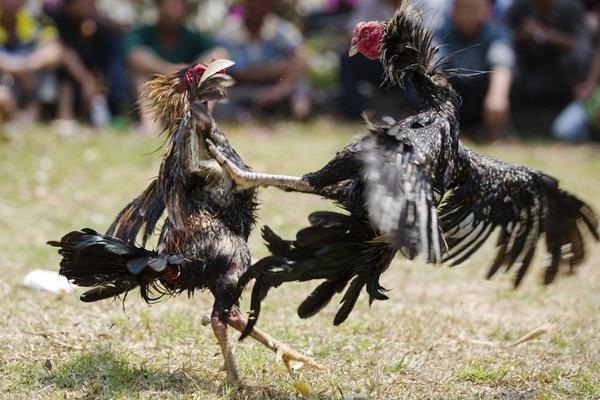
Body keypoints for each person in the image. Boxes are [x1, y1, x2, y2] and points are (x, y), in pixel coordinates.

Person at [124, 0, 217, 132]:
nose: (170, 11)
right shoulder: (142, 33)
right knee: (141, 76)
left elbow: (218, 53)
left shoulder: (193, 37)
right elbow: (134, 56)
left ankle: (198, 124)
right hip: (156, 93)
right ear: (158, 6)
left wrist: (193, 71)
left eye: (174, 5)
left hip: (186, 94)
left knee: (208, 77)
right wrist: (169, 70)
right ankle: (150, 127)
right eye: (166, 5)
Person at [216, 0, 310, 120]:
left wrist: (278, 91)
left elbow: (300, 61)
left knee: (300, 83)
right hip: (239, 90)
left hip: (276, 89)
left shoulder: (284, 31)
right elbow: (235, 72)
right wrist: (279, 68)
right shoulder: (227, 34)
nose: (259, 6)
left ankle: (299, 115)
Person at [435, 0, 514, 140]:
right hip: (453, 97)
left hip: (484, 99)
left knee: (500, 85)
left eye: (472, 9)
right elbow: (434, 65)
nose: (467, 15)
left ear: (485, 11)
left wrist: (497, 96)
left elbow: (502, 63)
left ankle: (496, 133)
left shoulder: (497, 33)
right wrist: (440, 99)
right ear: (453, 11)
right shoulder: (441, 34)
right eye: (462, 9)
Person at [507, 0, 591, 129]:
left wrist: (549, 35)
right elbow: (501, 35)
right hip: (528, 69)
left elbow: (582, 44)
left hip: (561, 72)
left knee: (575, 59)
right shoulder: (520, 7)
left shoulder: (570, 7)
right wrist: (522, 35)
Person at [51, 0, 127, 127]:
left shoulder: (100, 26)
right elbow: (65, 53)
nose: (88, 5)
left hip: (97, 79)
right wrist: (86, 81)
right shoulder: (58, 22)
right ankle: (64, 114)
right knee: (67, 78)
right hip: (66, 78)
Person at [0, 0, 63, 122]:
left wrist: (25, 65)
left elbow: (56, 50)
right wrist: (12, 66)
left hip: (30, 81)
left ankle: (33, 109)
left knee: (47, 68)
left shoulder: (37, 20)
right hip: (5, 81)